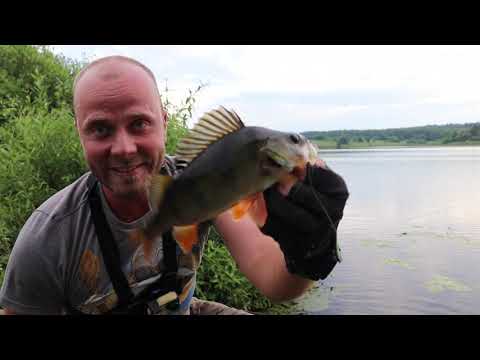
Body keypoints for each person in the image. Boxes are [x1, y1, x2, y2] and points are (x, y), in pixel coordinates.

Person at [0, 56, 349, 315]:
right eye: (101, 129)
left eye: (139, 124)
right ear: (79, 132)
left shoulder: (203, 183)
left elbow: (274, 280)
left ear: (164, 124)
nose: (123, 149)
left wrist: (308, 254)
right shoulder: (48, 236)